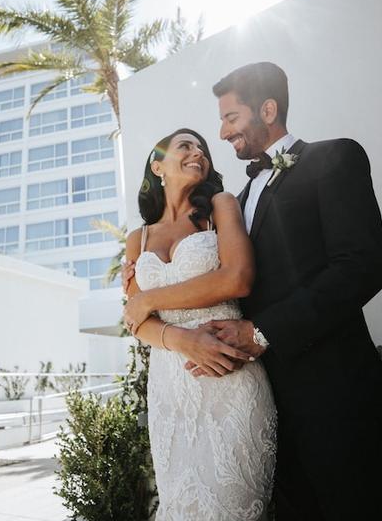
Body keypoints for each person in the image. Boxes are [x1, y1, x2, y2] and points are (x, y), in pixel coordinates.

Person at [124, 63, 382, 520]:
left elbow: (361, 268)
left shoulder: (333, 158)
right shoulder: (234, 198)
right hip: (262, 396)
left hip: (334, 395)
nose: (221, 133)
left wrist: (261, 331)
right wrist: (143, 279)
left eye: (231, 119)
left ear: (268, 109)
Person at [124, 127, 277, 520]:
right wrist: (181, 340)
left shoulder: (220, 207)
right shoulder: (136, 240)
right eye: (185, 146)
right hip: (169, 391)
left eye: (202, 149)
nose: (198, 153)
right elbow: (136, 321)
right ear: (157, 166)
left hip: (228, 374)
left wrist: (149, 298)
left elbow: (237, 277)